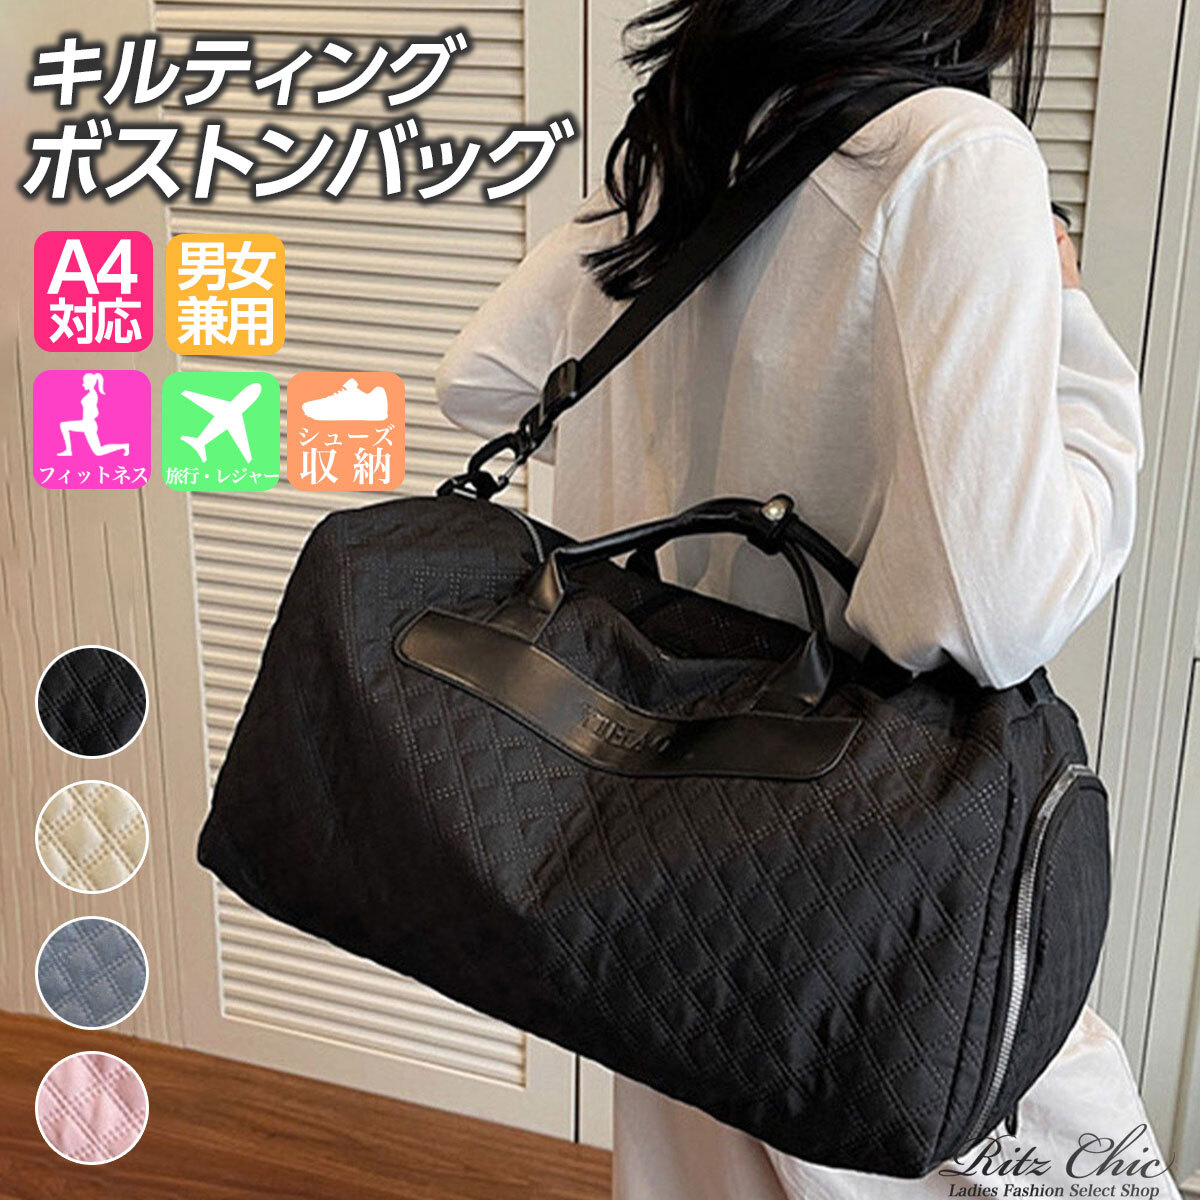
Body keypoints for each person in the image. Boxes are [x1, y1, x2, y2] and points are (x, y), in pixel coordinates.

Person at [435, 1, 1176, 1195]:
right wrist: (1066, 323)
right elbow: (990, 614)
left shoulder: (687, 158)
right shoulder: (952, 152)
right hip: (869, 856)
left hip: (655, 832)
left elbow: (481, 382)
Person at [58, 372, 129, 457]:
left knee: (98, 452)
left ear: (89, 383)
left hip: (89, 425)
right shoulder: (91, 395)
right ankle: (68, 451)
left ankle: (124, 446)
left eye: (84, 382)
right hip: (86, 424)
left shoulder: (92, 396)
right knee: (64, 425)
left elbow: (95, 411)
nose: (83, 385)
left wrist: (92, 414)